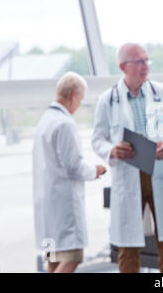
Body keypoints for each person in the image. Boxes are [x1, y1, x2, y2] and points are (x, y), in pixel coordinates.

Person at [91, 43, 163, 273]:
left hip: (160, 172)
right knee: (128, 247)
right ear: (123, 66)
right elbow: (97, 139)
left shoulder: (162, 93)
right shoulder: (108, 99)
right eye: (139, 61)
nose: (146, 66)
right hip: (129, 175)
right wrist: (112, 150)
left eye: (147, 60)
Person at [33, 72, 106, 273]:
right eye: (80, 99)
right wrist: (96, 170)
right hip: (63, 203)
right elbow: (73, 167)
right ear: (74, 94)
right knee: (73, 256)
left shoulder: (45, 120)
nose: (79, 105)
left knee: (55, 258)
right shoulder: (65, 123)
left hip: (49, 203)